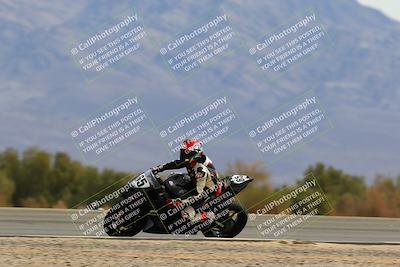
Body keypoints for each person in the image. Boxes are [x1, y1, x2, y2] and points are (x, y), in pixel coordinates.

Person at [152, 139, 221, 223]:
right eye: (183, 152)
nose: (184, 155)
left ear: (195, 153)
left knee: (186, 216)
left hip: (207, 192)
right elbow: (176, 164)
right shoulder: (192, 160)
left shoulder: (201, 170)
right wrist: (159, 168)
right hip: (196, 182)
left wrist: (180, 201)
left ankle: (210, 215)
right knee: (173, 177)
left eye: (187, 153)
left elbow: (199, 193)